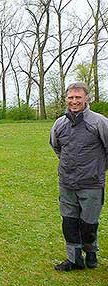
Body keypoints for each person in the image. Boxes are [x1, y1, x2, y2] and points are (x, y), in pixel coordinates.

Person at [50, 82, 108, 271]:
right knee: (69, 222)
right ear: (66, 99)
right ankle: (74, 259)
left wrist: (97, 169)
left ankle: (91, 253)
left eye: (78, 97)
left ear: (86, 99)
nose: (74, 101)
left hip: (91, 183)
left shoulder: (99, 122)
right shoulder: (59, 123)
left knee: (89, 223)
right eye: (71, 98)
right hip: (67, 183)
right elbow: (56, 146)